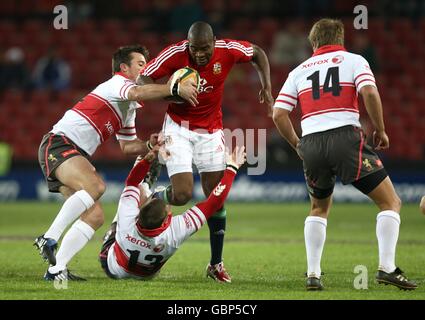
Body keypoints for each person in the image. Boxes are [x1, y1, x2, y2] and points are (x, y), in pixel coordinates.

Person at [272, 18, 417, 291]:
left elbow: (278, 113)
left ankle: (313, 274)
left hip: (312, 142)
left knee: (318, 208)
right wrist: (381, 130)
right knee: (391, 202)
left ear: (313, 42)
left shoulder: (298, 71)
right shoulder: (354, 60)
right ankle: (387, 268)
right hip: (345, 138)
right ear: (340, 39)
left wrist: (297, 145)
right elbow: (370, 93)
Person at [34, 45, 198, 281]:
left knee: (95, 216)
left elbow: (127, 146)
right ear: (124, 68)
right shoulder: (117, 84)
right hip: (59, 144)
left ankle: (56, 270)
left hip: (71, 153)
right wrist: (174, 88)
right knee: (96, 187)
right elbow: (138, 93)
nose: (145, 69)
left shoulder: (127, 109)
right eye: (140, 64)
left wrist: (150, 146)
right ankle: (48, 238)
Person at [138, 21, 273, 283]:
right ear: (187, 44)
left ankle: (215, 264)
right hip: (178, 129)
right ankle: (150, 196)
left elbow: (258, 52)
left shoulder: (228, 50)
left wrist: (266, 85)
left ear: (214, 42)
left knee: (216, 198)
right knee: (182, 195)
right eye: (194, 48)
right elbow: (143, 78)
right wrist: (171, 91)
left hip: (211, 131)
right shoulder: (175, 54)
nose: (199, 54)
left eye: (204, 48)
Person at [99, 146, 246, 280]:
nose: (170, 207)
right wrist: (232, 168)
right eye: (168, 208)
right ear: (164, 223)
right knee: (141, 194)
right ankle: (149, 189)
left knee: (132, 196)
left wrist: (145, 162)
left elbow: (131, 182)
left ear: (137, 216)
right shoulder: (174, 233)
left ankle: (146, 186)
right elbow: (214, 202)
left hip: (113, 266)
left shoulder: (128, 221)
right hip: (146, 275)